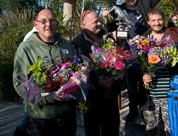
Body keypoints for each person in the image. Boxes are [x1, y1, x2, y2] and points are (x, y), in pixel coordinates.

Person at [107, 0, 178, 122]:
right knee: (131, 83)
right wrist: (114, 30)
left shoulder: (144, 5)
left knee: (147, 80)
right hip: (127, 53)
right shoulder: (117, 10)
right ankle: (133, 110)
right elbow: (109, 28)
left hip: (146, 50)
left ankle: (148, 110)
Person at [13, 8, 77, 136]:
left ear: (57, 24)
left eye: (52, 20)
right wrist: (48, 97)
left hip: (67, 115)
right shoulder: (26, 48)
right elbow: (20, 83)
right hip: (40, 117)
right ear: (35, 24)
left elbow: (76, 71)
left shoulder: (66, 45)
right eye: (43, 21)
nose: (48, 24)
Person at [71, 10, 120, 136]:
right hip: (92, 99)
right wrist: (97, 82)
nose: (99, 24)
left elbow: (120, 59)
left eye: (99, 21)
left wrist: (115, 77)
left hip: (111, 96)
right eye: (95, 22)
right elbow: (76, 73)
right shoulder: (77, 44)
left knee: (112, 130)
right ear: (84, 24)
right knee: (92, 132)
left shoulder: (108, 37)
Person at [142, 8, 178, 135]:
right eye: (153, 20)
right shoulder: (143, 40)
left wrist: (175, 61)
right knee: (152, 129)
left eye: (160, 19)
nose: (157, 23)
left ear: (164, 20)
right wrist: (143, 75)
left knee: (171, 128)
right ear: (148, 22)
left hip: (170, 92)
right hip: (151, 94)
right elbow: (137, 64)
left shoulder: (174, 37)